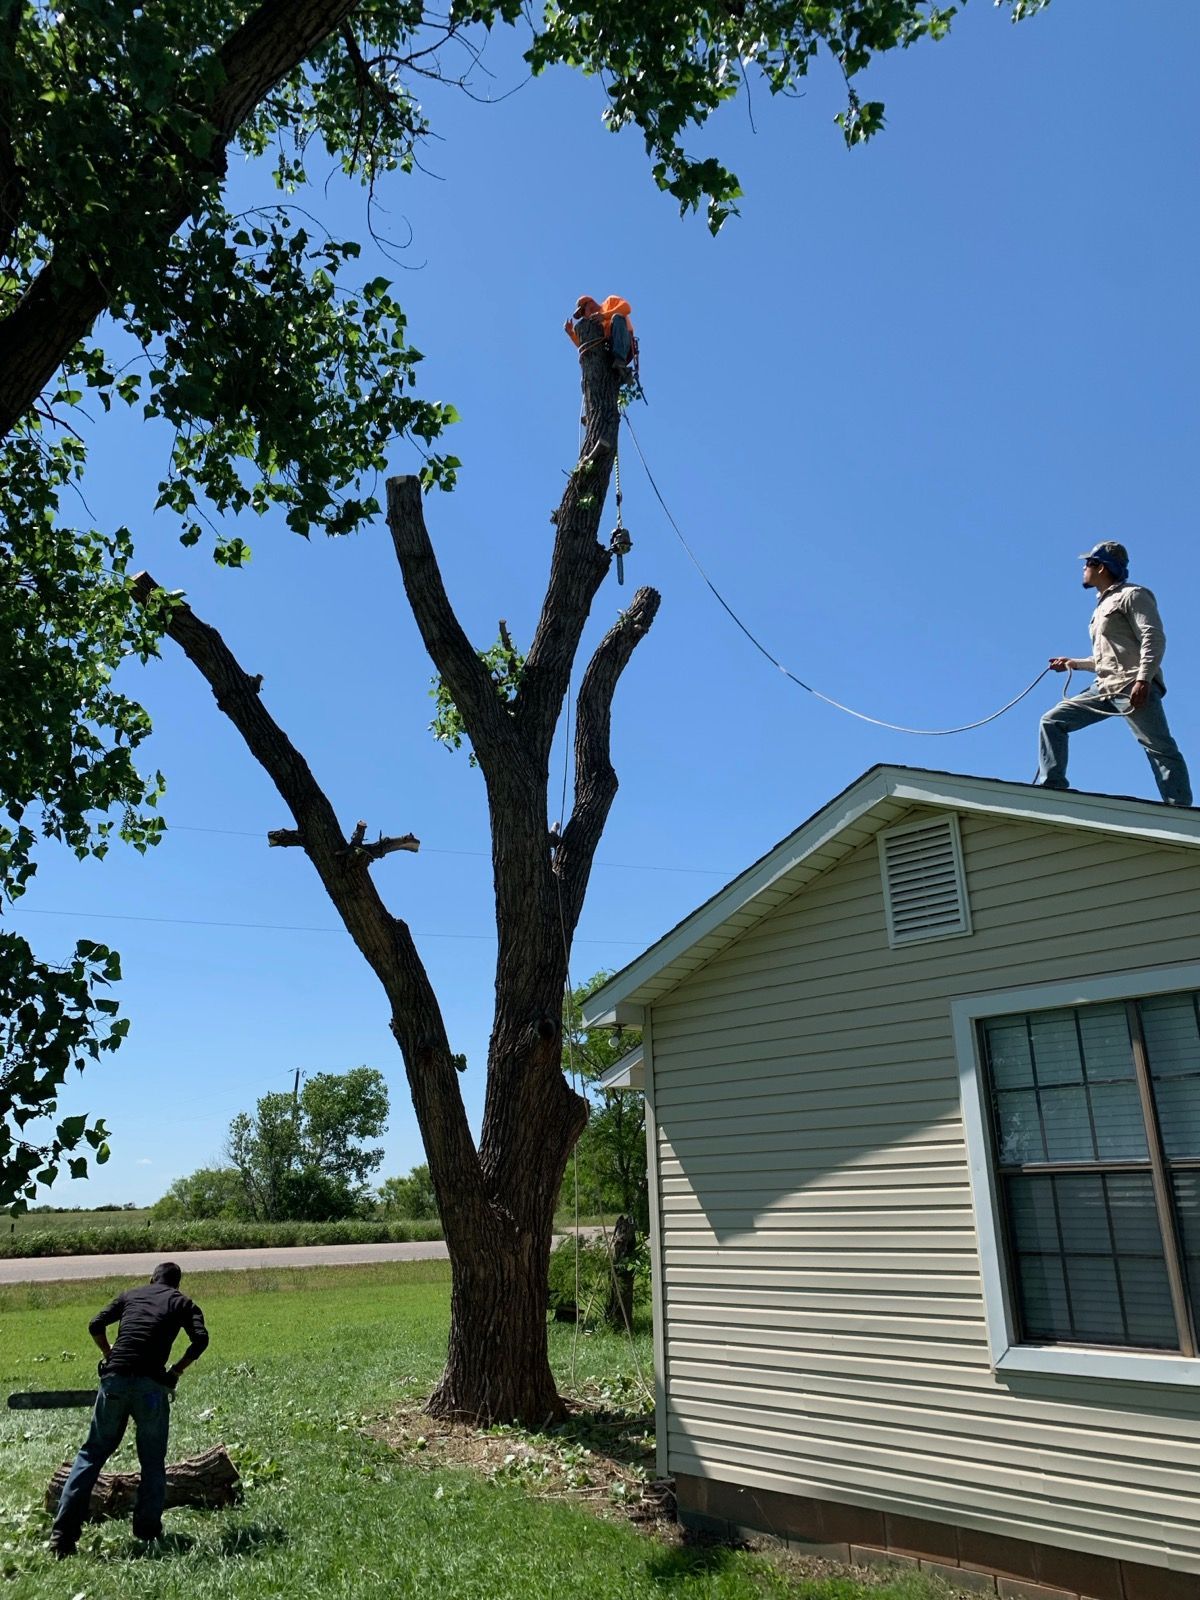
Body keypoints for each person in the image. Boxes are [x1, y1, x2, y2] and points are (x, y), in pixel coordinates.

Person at [48, 1261, 209, 1558]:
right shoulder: (183, 1302)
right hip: (151, 1387)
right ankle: (147, 1530)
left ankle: (62, 1537)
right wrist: (175, 1372)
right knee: (152, 1459)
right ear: (177, 1284)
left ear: (151, 1279)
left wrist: (109, 1355)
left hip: (114, 1382)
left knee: (91, 1454)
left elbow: (95, 1324)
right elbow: (201, 1340)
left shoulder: (131, 1294)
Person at [1037, 541, 1192, 805]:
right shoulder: (1101, 606)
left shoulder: (1134, 595)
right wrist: (1073, 663)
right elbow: (1108, 658)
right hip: (1104, 687)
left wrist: (1143, 679)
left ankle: (1180, 809)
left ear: (1102, 567)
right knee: (1052, 721)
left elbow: (1153, 637)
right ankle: (1053, 787)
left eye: (1088, 563)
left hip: (1132, 685)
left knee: (1159, 748)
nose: (1084, 568)